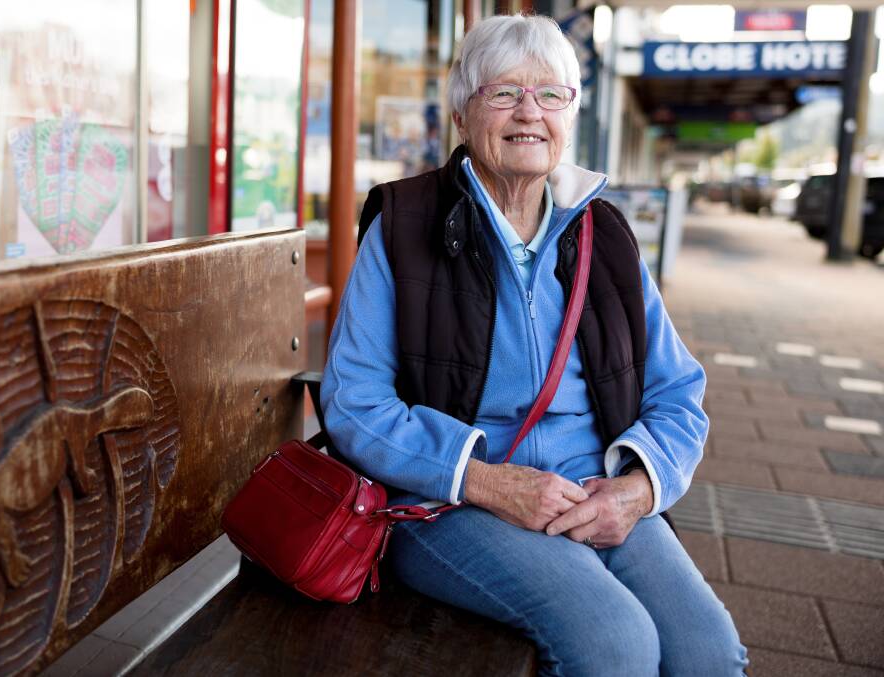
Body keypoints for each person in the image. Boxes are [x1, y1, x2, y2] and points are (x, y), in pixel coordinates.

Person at [320, 15, 747, 677]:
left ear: (570, 115)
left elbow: (678, 391)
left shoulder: (605, 234)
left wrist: (634, 492)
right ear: (462, 113)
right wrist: (488, 481)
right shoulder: (403, 226)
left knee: (707, 652)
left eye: (551, 95)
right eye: (503, 94)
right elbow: (354, 402)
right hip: (450, 499)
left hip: (596, 490)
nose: (529, 113)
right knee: (616, 643)